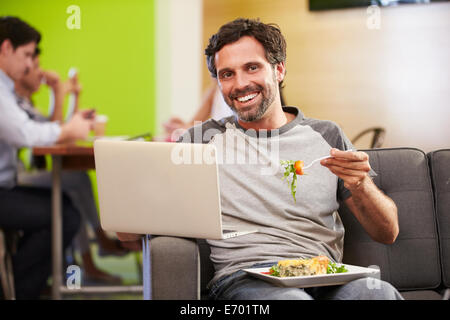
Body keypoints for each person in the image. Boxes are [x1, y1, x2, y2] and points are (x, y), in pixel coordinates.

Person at [118, 18, 402, 300]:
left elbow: (387, 233)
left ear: (278, 70)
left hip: (325, 275)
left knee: (379, 295)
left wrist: (361, 184)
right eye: (226, 74)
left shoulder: (326, 135)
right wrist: (138, 189)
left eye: (252, 68)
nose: (240, 84)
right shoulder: (198, 141)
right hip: (244, 278)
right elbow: (126, 233)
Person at [14, 47, 128, 284]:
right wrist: (58, 91)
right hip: (16, 177)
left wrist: (71, 97)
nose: (38, 71)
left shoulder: (24, 104)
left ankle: (92, 258)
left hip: (23, 174)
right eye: (34, 66)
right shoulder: (14, 103)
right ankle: (97, 246)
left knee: (75, 181)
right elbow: (57, 134)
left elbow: (56, 130)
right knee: (74, 180)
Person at [0, 16, 90, 299]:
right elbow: (26, 134)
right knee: (63, 214)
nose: (31, 65)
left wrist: (66, 123)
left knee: (63, 207)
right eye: (27, 55)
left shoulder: (7, 89)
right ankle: (20, 288)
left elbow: (37, 128)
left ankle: (22, 284)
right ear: (5, 48)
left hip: (7, 185)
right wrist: (70, 128)